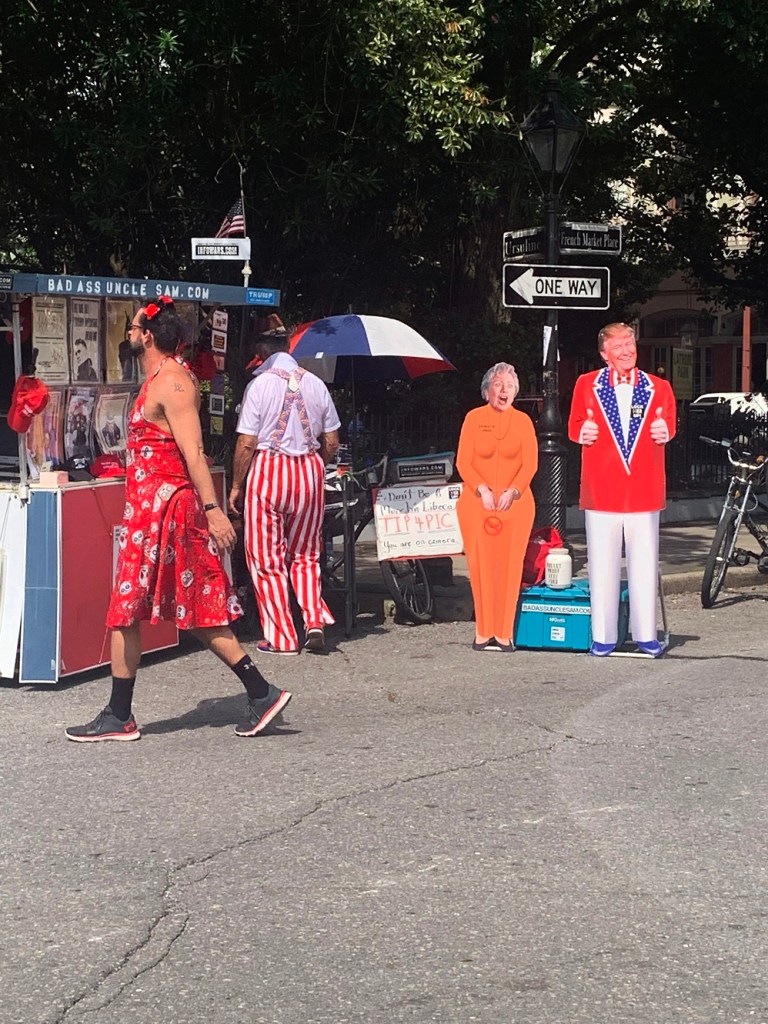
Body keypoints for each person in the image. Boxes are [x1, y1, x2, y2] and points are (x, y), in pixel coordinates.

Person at [66, 298, 291, 742]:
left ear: (147, 334)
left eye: (133, 327)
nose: (128, 333)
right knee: (127, 610)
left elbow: (194, 454)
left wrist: (213, 512)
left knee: (197, 609)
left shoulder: (173, 382)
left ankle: (260, 691)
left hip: (170, 510)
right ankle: (121, 713)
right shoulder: (158, 379)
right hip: (148, 513)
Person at [229, 326, 341, 655]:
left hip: (270, 471)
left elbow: (247, 442)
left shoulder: (259, 385)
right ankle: (314, 620)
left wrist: (237, 485)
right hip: (308, 471)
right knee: (306, 554)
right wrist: (315, 463)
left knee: (267, 559)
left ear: (262, 353)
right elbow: (332, 441)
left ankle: (282, 637)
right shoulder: (317, 384)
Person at [567, 322, 676, 658]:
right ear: (604, 354)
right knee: (601, 564)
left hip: (643, 490)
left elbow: (670, 424)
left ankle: (645, 634)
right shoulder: (586, 385)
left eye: (630, 344)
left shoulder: (659, 387)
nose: (627, 351)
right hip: (602, 490)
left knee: (644, 563)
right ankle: (603, 635)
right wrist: (580, 431)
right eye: (618, 347)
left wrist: (666, 430)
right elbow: (572, 424)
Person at [456, 362, 538, 651]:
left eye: (510, 386)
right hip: (477, 503)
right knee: (479, 564)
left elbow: (530, 463)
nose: (504, 391)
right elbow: (463, 461)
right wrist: (482, 489)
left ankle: (504, 631)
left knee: (510, 565)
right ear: (487, 390)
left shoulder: (524, 422)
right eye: (498, 385)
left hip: (515, 504)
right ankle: (483, 629)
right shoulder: (473, 419)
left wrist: (513, 491)